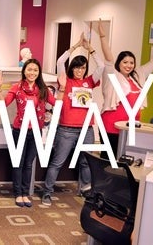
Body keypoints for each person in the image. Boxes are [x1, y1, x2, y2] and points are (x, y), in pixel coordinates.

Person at [41, 33, 104, 206]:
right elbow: (60, 61)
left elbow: (102, 65)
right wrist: (76, 46)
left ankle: (85, 190)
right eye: (77, 67)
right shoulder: (66, 81)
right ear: (72, 69)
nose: (79, 70)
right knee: (57, 162)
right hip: (66, 129)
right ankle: (47, 192)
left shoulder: (90, 82)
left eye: (83, 68)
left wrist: (90, 48)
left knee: (86, 162)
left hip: (87, 129)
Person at [99, 22, 153, 159]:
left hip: (131, 127)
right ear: (119, 63)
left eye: (131, 62)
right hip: (111, 127)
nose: (129, 65)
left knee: (126, 160)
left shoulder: (138, 74)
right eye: (125, 62)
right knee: (109, 161)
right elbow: (109, 59)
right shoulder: (112, 75)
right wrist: (103, 37)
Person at [0, 59, 66, 208]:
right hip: (19, 130)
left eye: (35, 70)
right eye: (29, 69)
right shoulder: (17, 87)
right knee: (18, 164)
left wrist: (63, 89)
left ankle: (26, 193)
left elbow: (57, 104)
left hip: (35, 131)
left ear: (39, 73)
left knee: (28, 164)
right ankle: (18, 193)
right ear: (24, 71)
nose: (32, 72)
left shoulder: (43, 89)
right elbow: (3, 104)